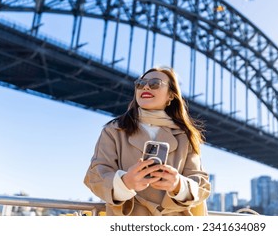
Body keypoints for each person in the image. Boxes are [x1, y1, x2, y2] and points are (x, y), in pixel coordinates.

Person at [84, 67, 211, 216]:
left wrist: (178, 185)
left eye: (155, 83)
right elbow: (95, 176)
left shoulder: (185, 136)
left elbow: (201, 185)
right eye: (140, 83)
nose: (145, 87)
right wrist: (124, 182)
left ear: (170, 95)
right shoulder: (114, 130)